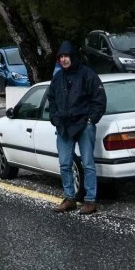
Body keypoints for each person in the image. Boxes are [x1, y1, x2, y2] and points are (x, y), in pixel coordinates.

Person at [47, 40, 106, 215]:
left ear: (73, 56)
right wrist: (55, 118)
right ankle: (69, 198)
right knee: (65, 163)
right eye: (61, 57)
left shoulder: (87, 74)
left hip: (84, 125)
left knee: (88, 163)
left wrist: (91, 120)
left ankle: (90, 200)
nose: (64, 60)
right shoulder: (57, 78)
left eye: (66, 56)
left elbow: (99, 98)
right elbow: (51, 100)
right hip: (64, 126)